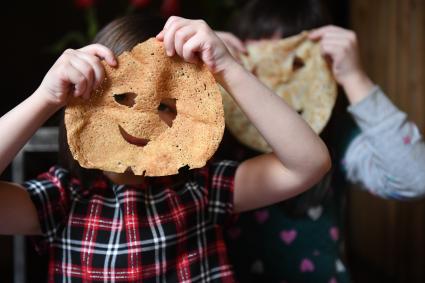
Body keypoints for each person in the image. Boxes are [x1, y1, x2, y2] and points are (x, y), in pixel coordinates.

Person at [0, 14, 331, 282]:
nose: (143, 119)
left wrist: (229, 71)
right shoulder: (63, 198)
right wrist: (45, 99)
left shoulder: (201, 188)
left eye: (166, 105)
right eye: (120, 98)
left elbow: (308, 164)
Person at [215, 0, 425, 282]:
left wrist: (354, 77)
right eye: (254, 67)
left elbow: (414, 178)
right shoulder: (214, 135)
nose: (275, 81)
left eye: (297, 63)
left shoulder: (335, 136)